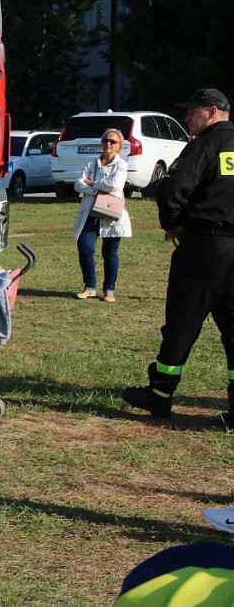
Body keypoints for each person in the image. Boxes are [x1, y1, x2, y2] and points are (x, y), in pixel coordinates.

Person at [123, 88, 234, 420]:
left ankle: (159, 394)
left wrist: (174, 226)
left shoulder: (204, 145)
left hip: (204, 246)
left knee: (182, 323)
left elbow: (172, 190)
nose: (187, 117)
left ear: (212, 111)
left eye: (193, 111)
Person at [72, 128, 132, 302]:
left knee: (110, 252)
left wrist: (90, 183)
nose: (108, 143)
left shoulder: (121, 165)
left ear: (119, 145)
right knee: (85, 248)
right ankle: (90, 287)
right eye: (106, 140)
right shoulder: (92, 163)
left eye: (113, 141)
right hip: (90, 213)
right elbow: (78, 184)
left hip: (111, 212)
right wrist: (96, 187)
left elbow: (114, 185)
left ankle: (109, 289)